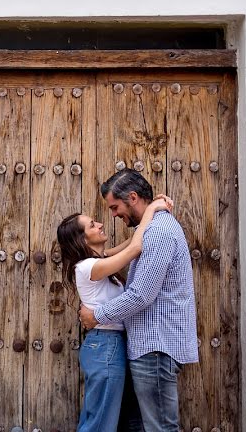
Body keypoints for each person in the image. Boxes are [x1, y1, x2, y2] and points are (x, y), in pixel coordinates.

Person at [79, 169, 198, 432]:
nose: (112, 215)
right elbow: (121, 252)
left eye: (115, 207)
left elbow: (141, 295)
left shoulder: (158, 232)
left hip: (155, 347)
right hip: (149, 347)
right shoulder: (152, 229)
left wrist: (96, 315)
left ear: (132, 197)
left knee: (160, 428)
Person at [58, 195, 172, 432]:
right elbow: (136, 247)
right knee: (100, 422)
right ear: (82, 239)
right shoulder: (88, 266)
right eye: (92, 225)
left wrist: (150, 209)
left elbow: (134, 239)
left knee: (107, 420)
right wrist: (152, 208)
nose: (100, 224)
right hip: (105, 346)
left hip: (110, 345)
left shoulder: (101, 260)